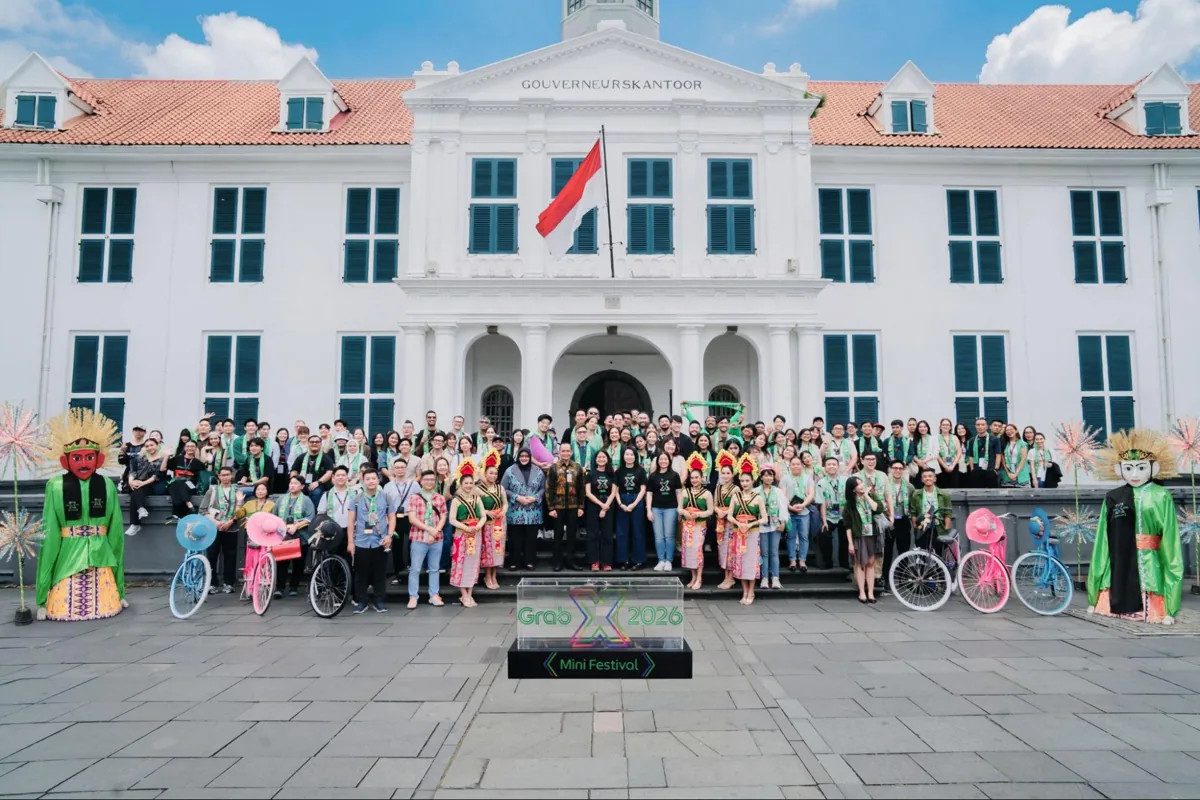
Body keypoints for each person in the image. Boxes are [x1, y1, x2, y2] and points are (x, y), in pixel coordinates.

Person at [36, 408, 127, 621]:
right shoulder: (55, 485)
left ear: (99, 459)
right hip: (68, 551)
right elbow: (49, 530)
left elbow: (115, 532)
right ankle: (44, 600)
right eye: (77, 458)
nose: (84, 463)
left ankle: (118, 594)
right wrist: (41, 595)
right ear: (65, 461)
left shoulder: (106, 484)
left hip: (99, 550)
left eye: (89, 457)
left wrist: (120, 587)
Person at [1088, 429, 1183, 624]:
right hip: (1120, 557)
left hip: (1149, 559)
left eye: (1141, 468)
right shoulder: (1114, 497)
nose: (1135, 474)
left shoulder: (1161, 495)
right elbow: (1102, 543)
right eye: (1128, 468)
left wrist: (1171, 605)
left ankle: (1165, 610)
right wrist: (1093, 592)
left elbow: (1170, 543)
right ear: (1119, 470)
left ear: (1152, 468)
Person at [347, 468, 396, 613]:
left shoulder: (386, 497)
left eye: (373, 478)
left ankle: (379, 600)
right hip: (361, 540)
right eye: (367, 479)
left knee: (379, 573)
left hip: (380, 540)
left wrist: (390, 535)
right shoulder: (356, 499)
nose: (371, 481)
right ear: (362, 480)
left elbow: (392, 517)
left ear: (378, 480)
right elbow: (351, 522)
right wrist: (350, 542)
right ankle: (362, 601)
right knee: (361, 573)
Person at [407, 469, 448, 608]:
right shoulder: (414, 497)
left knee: (434, 568)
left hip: (437, 538)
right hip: (419, 537)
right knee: (415, 569)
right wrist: (429, 529)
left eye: (432, 480)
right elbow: (412, 519)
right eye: (426, 479)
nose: (429, 482)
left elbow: (443, 516)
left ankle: (434, 595)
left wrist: (435, 531)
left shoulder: (439, 498)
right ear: (421, 481)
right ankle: (413, 596)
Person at [729, 455, 767, 605]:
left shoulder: (758, 498)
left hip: (752, 534)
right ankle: (744, 591)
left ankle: (751, 591)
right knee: (741, 562)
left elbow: (765, 518)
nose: (744, 483)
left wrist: (750, 524)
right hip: (739, 533)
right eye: (742, 481)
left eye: (747, 481)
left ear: (753, 481)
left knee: (751, 562)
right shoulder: (735, 496)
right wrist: (738, 523)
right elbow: (730, 516)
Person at [500, 447, 544, 570]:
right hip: (515, 510)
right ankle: (514, 562)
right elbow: (503, 488)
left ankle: (529, 561)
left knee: (531, 538)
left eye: (526, 456)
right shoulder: (510, 471)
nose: (524, 458)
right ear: (518, 457)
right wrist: (516, 497)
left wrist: (535, 498)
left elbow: (543, 488)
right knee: (515, 537)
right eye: (521, 456)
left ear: (530, 458)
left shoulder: (538, 471)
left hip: (533, 510)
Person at [449, 462, 485, 608]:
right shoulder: (457, 501)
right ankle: (463, 594)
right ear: (461, 484)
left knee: (472, 564)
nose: (469, 486)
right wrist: (466, 527)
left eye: (471, 483)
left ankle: (469, 594)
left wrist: (477, 526)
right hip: (462, 535)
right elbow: (452, 520)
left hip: (475, 534)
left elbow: (483, 516)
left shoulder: (477, 499)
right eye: (466, 483)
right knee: (460, 563)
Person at [546, 443, 586, 571]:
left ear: (571, 452)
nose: (565, 453)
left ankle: (570, 560)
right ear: (559, 452)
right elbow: (549, 488)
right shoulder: (554, 468)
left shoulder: (577, 467)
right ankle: (557, 561)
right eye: (563, 451)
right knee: (558, 534)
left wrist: (581, 506)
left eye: (568, 451)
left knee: (571, 535)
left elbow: (581, 488)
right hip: (558, 506)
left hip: (574, 506)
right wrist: (551, 508)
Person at [201, 466, 242, 594]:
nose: (225, 477)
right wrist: (217, 523)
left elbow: (241, 512)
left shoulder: (237, 491)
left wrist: (230, 521)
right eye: (222, 475)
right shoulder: (212, 491)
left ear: (232, 476)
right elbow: (203, 510)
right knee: (212, 556)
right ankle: (212, 583)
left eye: (227, 475)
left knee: (230, 556)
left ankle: (228, 583)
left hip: (231, 528)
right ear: (218, 476)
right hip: (214, 528)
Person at [274, 475, 314, 597]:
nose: (292, 485)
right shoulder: (281, 499)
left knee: (298, 563)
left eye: (296, 483)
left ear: (302, 486)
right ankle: (279, 588)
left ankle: (294, 586)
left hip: (300, 535)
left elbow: (310, 518)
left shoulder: (306, 500)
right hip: (283, 535)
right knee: (282, 562)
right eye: (291, 483)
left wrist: (296, 526)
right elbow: (274, 515)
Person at [845, 476, 882, 604]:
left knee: (871, 563)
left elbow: (878, 508)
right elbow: (847, 526)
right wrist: (850, 543)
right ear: (853, 489)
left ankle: (870, 592)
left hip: (872, 535)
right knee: (860, 564)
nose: (861, 486)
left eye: (861, 483)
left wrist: (867, 495)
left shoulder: (871, 496)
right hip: (859, 536)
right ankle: (862, 592)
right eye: (857, 485)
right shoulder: (850, 504)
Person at [679, 455, 713, 590]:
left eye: (696, 477)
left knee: (697, 550)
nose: (694, 480)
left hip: (699, 525)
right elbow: (679, 508)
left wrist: (698, 514)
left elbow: (710, 511)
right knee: (688, 551)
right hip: (687, 525)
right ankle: (693, 576)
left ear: (701, 478)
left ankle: (699, 577)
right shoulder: (685, 492)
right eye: (692, 478)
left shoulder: (706, 494)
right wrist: (685, 513)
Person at [382, 458, 417, 583]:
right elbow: (384, 504)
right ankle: (398, 573)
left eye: (402, 467)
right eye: (397, 467)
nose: (400, 469)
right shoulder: (387, 486)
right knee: (397, 546)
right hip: (394, 518)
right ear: (393, 470)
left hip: (411, 517)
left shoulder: (414, 484)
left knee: (413, 544)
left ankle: (412, 568)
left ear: (406, 469)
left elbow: (419, 501)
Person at [646, 451, 682, 571]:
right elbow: (649, 494)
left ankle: (669, 561)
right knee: (659, 536)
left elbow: (679, 493)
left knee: (669, 536)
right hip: (656, 508)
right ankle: (661, 560)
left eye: (665, 459)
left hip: (671, 508)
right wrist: (648, 510)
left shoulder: (674, 475)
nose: (663, 461)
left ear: (669, 461)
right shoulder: (653, 476)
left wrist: (679, 509)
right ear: (657, 461)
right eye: (661, 459)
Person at [477, 450, 508, 588]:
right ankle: (487, 576)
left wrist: (504, 511)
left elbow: (505, 503)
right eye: (491, 473)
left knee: (497, 550)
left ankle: (494, 575)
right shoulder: (478, 488)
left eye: (495, 473)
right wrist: (486, 512)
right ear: (485, 474)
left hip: (499, 523)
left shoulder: (500, 487)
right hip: (487, 523)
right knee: (488, 551)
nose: (493, 476)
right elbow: (475, 507)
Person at [614, 446, 648, 570]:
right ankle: (623, 560)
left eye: (632, 454)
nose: (629, 456)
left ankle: (639, 560)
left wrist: (634, 504)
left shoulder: (640, 470)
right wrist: (620, 504)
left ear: (635, 456)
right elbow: (615, 490)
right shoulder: (619, 471)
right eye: (627, 454)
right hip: (622, 501)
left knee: (638, 532)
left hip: (637, 501)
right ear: (623, 456)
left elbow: (643, 489)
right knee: (622, 532)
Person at [881, 458, 913, 589]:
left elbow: (913, 504)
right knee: (887, 551)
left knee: (904, 550)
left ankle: (903, 578)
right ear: (890, 469)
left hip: (904, 520)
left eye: (900, 468)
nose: (898, 471)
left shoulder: (909, 486)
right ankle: (886, 579)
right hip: (888, 520)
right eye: (895, 468)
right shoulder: (884, 484)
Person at [782, 454, 815, 574]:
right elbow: (783, 495)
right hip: (790, 513)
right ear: (789, 466)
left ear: (802, 465)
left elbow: (811, 494)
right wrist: (790, 506)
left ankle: (802, 560)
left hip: (804, 512)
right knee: (790, 537)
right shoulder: (785, 478)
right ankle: (792, 560)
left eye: (798, 464)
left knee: (804, 537)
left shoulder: (807, 477)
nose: (796, 466)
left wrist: (803, 505)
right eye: (793, 464)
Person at [585, 449, 617, 571]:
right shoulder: (591, 474)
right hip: (593, 505)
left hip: (608, 505)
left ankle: (606, 562)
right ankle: (594, 562)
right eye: (599, 457)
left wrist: (606, 506)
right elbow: (588, 493)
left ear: (607, 459)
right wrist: (600, 505)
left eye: (604, 457)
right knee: (592, 535)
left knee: (607, 534)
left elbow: (613, 492)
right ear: (596, 459)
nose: (601, 459)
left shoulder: (612, 474)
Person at [124, 436, 162, 536]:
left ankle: (135, 524)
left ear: (157, 446)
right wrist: (131, 481)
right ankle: (141, 509)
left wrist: (142, 483)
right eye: (147, 446)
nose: (150, 447)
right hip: (135, 483)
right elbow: (132, 471)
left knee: (135, 493)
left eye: (152, 445)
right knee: (135, 490)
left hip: (150, 485)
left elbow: (156, 476)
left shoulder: (160, 460)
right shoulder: (139, 459)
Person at [909, 467, 953, 551]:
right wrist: (916, 527)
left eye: (930, 476)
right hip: (922, 527)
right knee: (922, 554)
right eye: (925, 476)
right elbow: (913, 512)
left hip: (938, 527)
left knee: (940, 554)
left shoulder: (944, 495)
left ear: (934, 479)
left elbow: (948, 513)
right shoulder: (916, 495)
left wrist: (946, 530)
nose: (927, 478)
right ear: (922, 479)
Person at [817, 456, 848, 572]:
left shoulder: (845, 481)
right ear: (825, 467)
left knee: (845, 536)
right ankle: (828, 562)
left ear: (838, 466)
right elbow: (822, 504)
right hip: (830, 515)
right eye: (829, 464)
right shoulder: (821, 483)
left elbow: (850, 499)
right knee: (824, 533)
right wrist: (824, 522)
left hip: (843, 515)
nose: (831, 466)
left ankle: (844, 565)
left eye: (834, 464)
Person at [713, 453, 737, 589]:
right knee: (722, 549)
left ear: (733, 475)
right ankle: (725, 576)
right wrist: (718, 511)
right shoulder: (718, 488)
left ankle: (731, 577)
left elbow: (738, 506)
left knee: (730, 550)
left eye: (728, 473)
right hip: (720, 522)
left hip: (731, 522)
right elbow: (715, 504)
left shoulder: (736, 489)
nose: (726, 475)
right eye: (723, 473)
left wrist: (727, 512)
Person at [292, 434, 334, 511]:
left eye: (317, 442)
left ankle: (314, 515)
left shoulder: (326, 458)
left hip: (319, 484)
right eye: (312, 442)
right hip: (302, 484)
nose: (314, 443)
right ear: (308, 444)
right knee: (291, 490)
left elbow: (329, 473)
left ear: (321, 444)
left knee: (316, 492)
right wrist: (294, 482)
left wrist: (318, 482)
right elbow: (294, 471)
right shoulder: (301, 457)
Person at [165, 439, 204, 522]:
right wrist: (166, 456)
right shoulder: (177, 459)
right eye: (188, 446)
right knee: (176, 485)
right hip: (175, 482)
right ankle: (188, 504)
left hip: (191, 484)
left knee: (179, 483)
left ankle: (176, 513)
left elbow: (203, 476)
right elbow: (162, 469)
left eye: (192, 446)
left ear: (196, 448)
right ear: (184, 448)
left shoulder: (199, 463)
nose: (190, 448)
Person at [966, 417, 1002, 489]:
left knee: (992, 495)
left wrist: (996, 469)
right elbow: (971, 456)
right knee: (976, 494)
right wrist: (972, 469)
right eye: (978, 425)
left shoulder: (995, 439)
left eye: (982, 424)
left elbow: (998, 454)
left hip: (990, 470)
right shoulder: (971, 440)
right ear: (975, 426)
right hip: (976, 471)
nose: (980, 427)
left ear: (987, 426)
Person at [1000, 423, 1031, 488]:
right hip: (1007, 475)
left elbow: (1023, 459)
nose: (1009, 432)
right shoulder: (1004, 443)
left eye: (1011, 429)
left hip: (1021, 475)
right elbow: (1002, 460)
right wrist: (1008, 473)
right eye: (1007, 430)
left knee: (1023, 496)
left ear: (1016, 430)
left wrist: (1015, 474)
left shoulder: (1023, 444)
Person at [935, 418, 961, 489]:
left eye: (947, 425)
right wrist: (945, 466)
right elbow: (936, 454)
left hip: (954, 465)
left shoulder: (954, 437)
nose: (945, 426)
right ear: (940, 427)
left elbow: (959, 452)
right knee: (942, 487)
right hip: (941, 466)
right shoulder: (936, 438)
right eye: (943, 425)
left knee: (954, 486)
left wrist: (953, 465)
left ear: (950, 427)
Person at [272, 427, 293, 494]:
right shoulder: (274, 445)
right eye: (281, 433)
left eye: (285, 434)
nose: (283, 435)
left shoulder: (290, 445)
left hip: (286, 466)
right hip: (276, 466)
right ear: (277, 435)